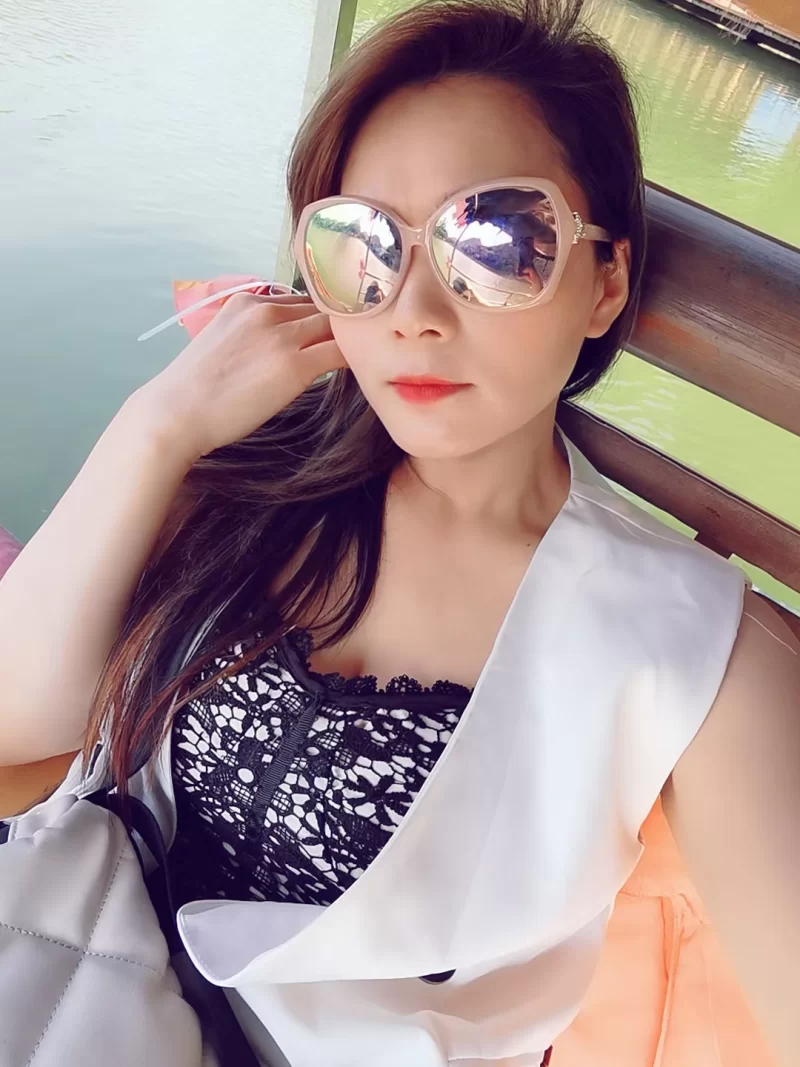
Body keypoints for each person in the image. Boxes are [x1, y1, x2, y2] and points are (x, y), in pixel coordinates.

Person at [1, 1, 798, 1065]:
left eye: (497, 242)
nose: (413, 309)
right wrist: (157, 427)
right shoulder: (254, 469)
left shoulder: (692, 646)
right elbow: (15, 721)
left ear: (605, 281)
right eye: (360, 244)